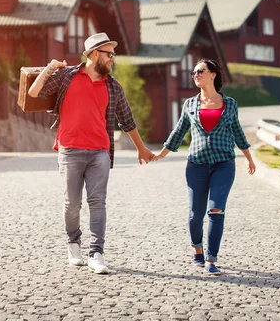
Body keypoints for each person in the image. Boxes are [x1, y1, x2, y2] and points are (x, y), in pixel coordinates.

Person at [28, 32, 154, 274]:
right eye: (109, 54)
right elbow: (34, 93)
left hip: (100, 153)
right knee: (72, 204)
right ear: (94, 54)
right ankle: (73, 243)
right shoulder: (66, 76)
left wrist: (141, 148)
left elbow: (127, 121)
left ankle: (96, 253)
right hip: (69, 150)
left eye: (113, 55)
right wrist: (50, 67)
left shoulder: (113, 86)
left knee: (98, 203)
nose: (113, 59)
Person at [154, 59, 256, 276]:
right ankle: (197, 248)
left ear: (213, 75)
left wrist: (249, 157)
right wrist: (161, 153)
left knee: (216, 210)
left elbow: (238, 132)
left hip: (224, 164)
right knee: (195, 215)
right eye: (194, 73)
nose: (195, 75)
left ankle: (211, 259)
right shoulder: (189, 104)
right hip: (196, 166)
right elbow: (179, 130)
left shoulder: (230, 104)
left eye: (200, 71)